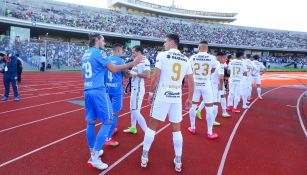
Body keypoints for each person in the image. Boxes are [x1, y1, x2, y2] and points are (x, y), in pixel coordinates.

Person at [82, 33, 143, 170]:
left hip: (87, 89)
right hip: (99, 90)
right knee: (108, 121)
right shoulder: (99, 53)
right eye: (103, 39)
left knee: (91, 122)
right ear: (97, 40)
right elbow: (114, 69)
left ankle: (93, 151)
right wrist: (133, 63)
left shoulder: (86, 54)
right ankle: (95, 157)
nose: (104, 42)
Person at [141, 34, 194, 172]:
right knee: (177, 129)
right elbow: (190, 81)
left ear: (171, 42)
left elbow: (155, 76)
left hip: (162, 95)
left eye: (165, 41)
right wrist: (189, 98)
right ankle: (178, 159)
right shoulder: (186, 59)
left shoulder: (162, 55)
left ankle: (145, 155)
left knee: (152, 126)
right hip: (176, 97)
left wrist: (151, 93)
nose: (164, 44)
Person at [187, 41, 219, 139]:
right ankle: (210, 132)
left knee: (193, 106)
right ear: (207, 48)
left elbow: (190, 70)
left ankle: (192, 127)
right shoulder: (212, 58)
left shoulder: (192, 57)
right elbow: (213, 69)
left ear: (198, 47)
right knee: (209, 108)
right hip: (206, 84)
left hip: (195, 83)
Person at [104, 44, 129, 147]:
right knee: (115, 113)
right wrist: (133, 72)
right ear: (118, 51)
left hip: (107, 89)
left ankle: (110, 129)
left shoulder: (106, 59)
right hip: (116, 90)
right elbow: (126, 74)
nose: (122, 53)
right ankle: (108, 137)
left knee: (108, 111)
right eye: (122, 51)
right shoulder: (120, 61)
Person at [123, 45, 150, 134]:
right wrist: (126, 72)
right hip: (134, 88)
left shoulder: (145, 60)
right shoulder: (136, 62)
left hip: (138, 88)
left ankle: (147, 133)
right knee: (132, 109)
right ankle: (133, 128)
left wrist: (134, 72)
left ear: (139, 52)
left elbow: (147, 75)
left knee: (135, 110)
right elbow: (132, 74)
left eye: (134, 52)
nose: (132, 54)